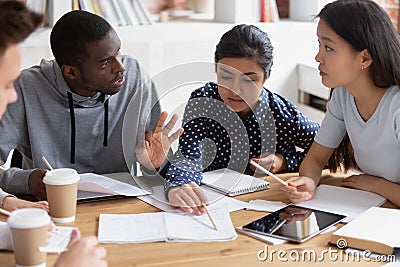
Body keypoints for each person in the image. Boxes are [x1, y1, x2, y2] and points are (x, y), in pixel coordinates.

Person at [0, 10, 182, 200]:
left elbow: (155, 166)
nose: (120, 68)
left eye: (118, 53)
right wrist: (26, 180)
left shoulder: (134, 77)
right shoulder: (23, 89)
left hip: (123, 204)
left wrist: (157, 165)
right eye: (105, 63)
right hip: (51, 206)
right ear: (71, 72)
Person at [166, 24, 320, 215]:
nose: (235, 90)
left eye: (249, 79)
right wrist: (179, 186)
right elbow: (189, 155)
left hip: (268, 209)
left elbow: (328, 151)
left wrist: (284, 161)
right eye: (226, 76)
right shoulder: (203, 102)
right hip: (212, 207)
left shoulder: (281, 113)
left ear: (266, 76)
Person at [0, 1, 107, 266]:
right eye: (5, 84)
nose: (13, 95)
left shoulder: (133, 80)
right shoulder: (31, 87)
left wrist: (9, 217)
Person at [283, 0, 400, 207]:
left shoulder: (396, 106)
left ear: (365, 58)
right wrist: (308, 182)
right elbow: (315, 160)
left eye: (328, 47)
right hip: (376, 208)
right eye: (319, 45)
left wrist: (375, 185)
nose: (318, 57)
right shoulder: (343, 96)